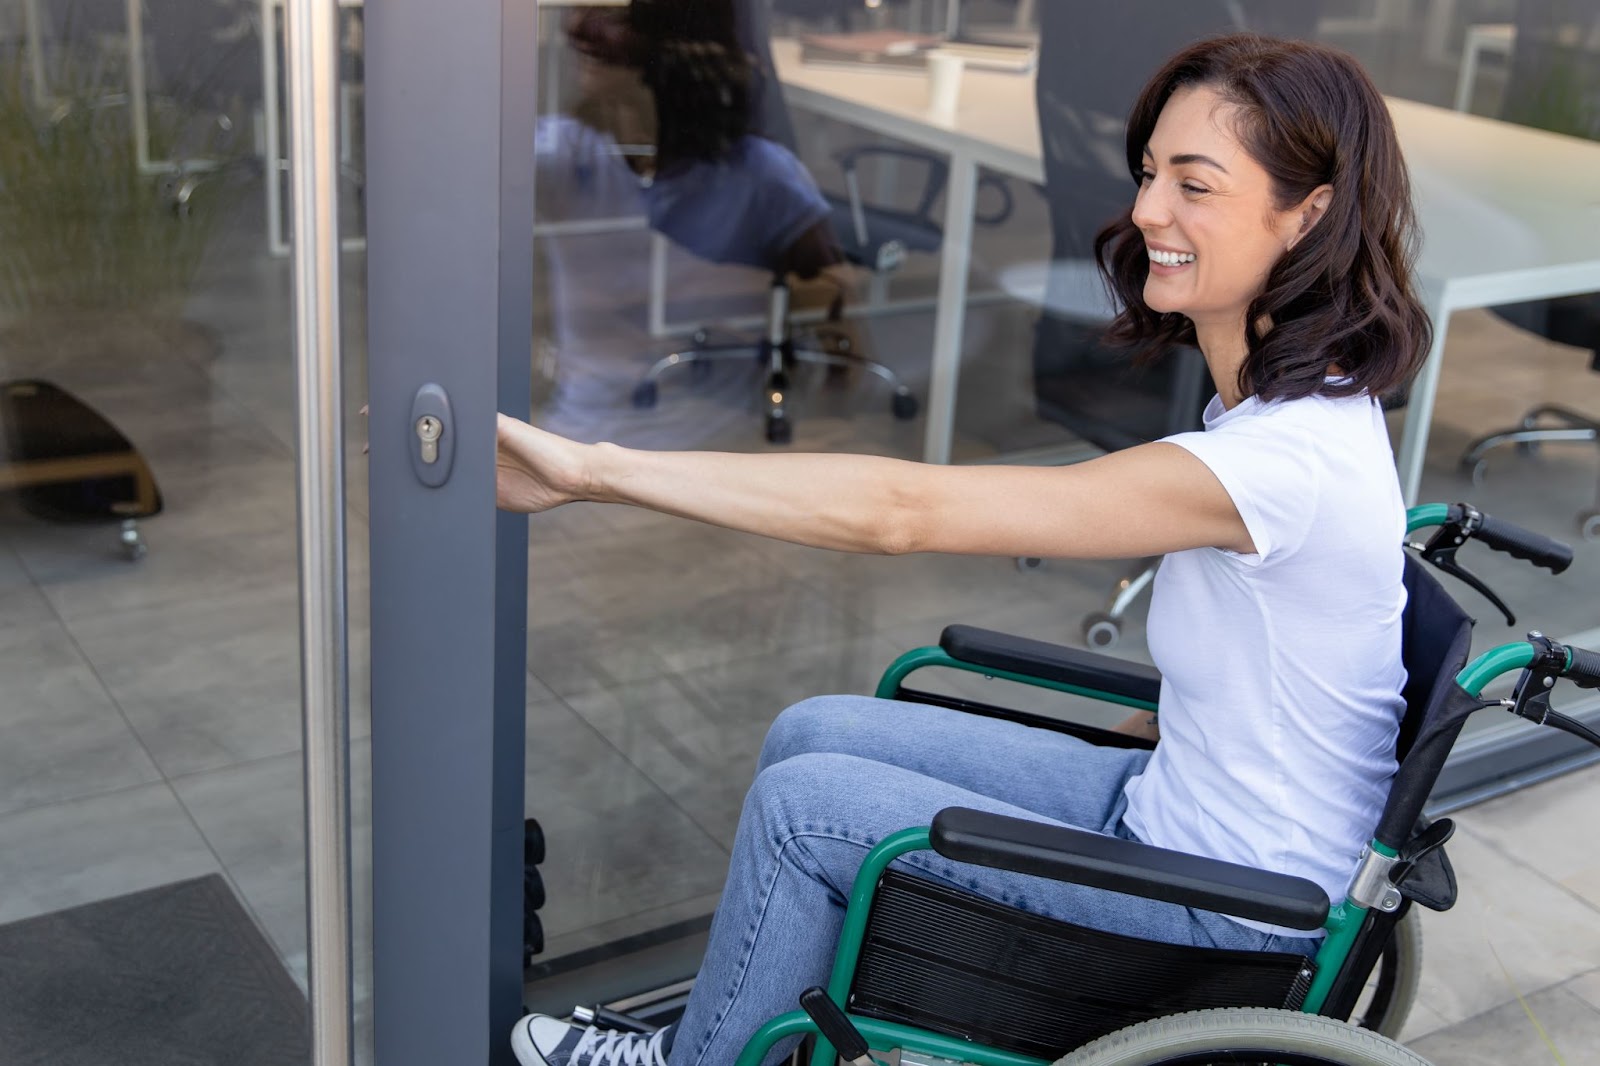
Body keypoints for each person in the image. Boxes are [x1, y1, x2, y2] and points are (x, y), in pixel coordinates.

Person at [500, 31, 1432, 1066]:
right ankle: (761, 1034)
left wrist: (589, 469)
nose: (1145, 212)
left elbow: (903, 511)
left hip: (1226, 911)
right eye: (1147, 173)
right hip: (1175, 810)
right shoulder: (1288, 406)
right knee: (811, 734)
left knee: (807, 811)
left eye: (1194, 184)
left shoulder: (1283, 460)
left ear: (1308, 214)